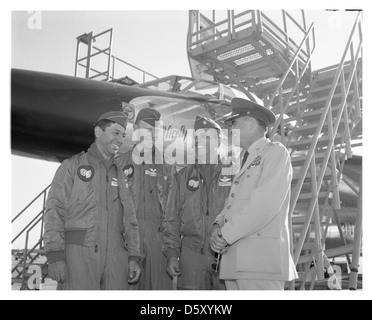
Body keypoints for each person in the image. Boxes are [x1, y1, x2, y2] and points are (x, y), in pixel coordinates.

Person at [44, 111, 141, 290]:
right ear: (98, 132)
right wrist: (55, 256)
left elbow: (130, 220)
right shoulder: (72, 166)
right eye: (116, 133)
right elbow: (55, 211)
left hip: (116, 258)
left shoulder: (122, 175)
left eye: (123, 135)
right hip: (79, 258)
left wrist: (133, 257)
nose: (120, 139)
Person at [210, 98, 298, 290]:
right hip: (237, 262)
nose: (231, 129)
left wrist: (225, 234)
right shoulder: (245, 158)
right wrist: (218, 225)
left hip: (260, 263)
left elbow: (263, 204)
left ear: (250, 123)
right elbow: (233, 203)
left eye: (234, 123)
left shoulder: (275, 153)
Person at [164, 116, 233, 290]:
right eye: (196, 137)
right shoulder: (182, 177)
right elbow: (171, 218)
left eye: (205, 136)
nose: (198, 141)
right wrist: (172, 254)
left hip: (227, 253)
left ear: (219, 140)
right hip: (191, 256)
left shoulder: (235, 174)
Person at [117, 108, 174, 290]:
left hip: (158, 244)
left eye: (153, 131)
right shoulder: (118, 165)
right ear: (135, 128)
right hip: (126, 243)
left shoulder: (167, 168)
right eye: (145, 129)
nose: (149, 135)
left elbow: (174, 211)